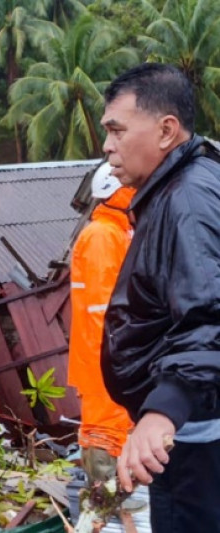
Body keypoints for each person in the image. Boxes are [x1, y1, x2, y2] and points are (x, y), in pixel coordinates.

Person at [100, 63, 220, 528]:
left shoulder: (187, 200)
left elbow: (209, 313)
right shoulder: (180, 187)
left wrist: (164, 410)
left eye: (117, 130)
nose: (107, 146)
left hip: (194, 438)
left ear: (167, 130)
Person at [68, 162, 135, 486]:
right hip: (106, 371)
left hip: (111, 369)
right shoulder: (102, 236)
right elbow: (104, 314)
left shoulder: (116, 231)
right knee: (107, 459)